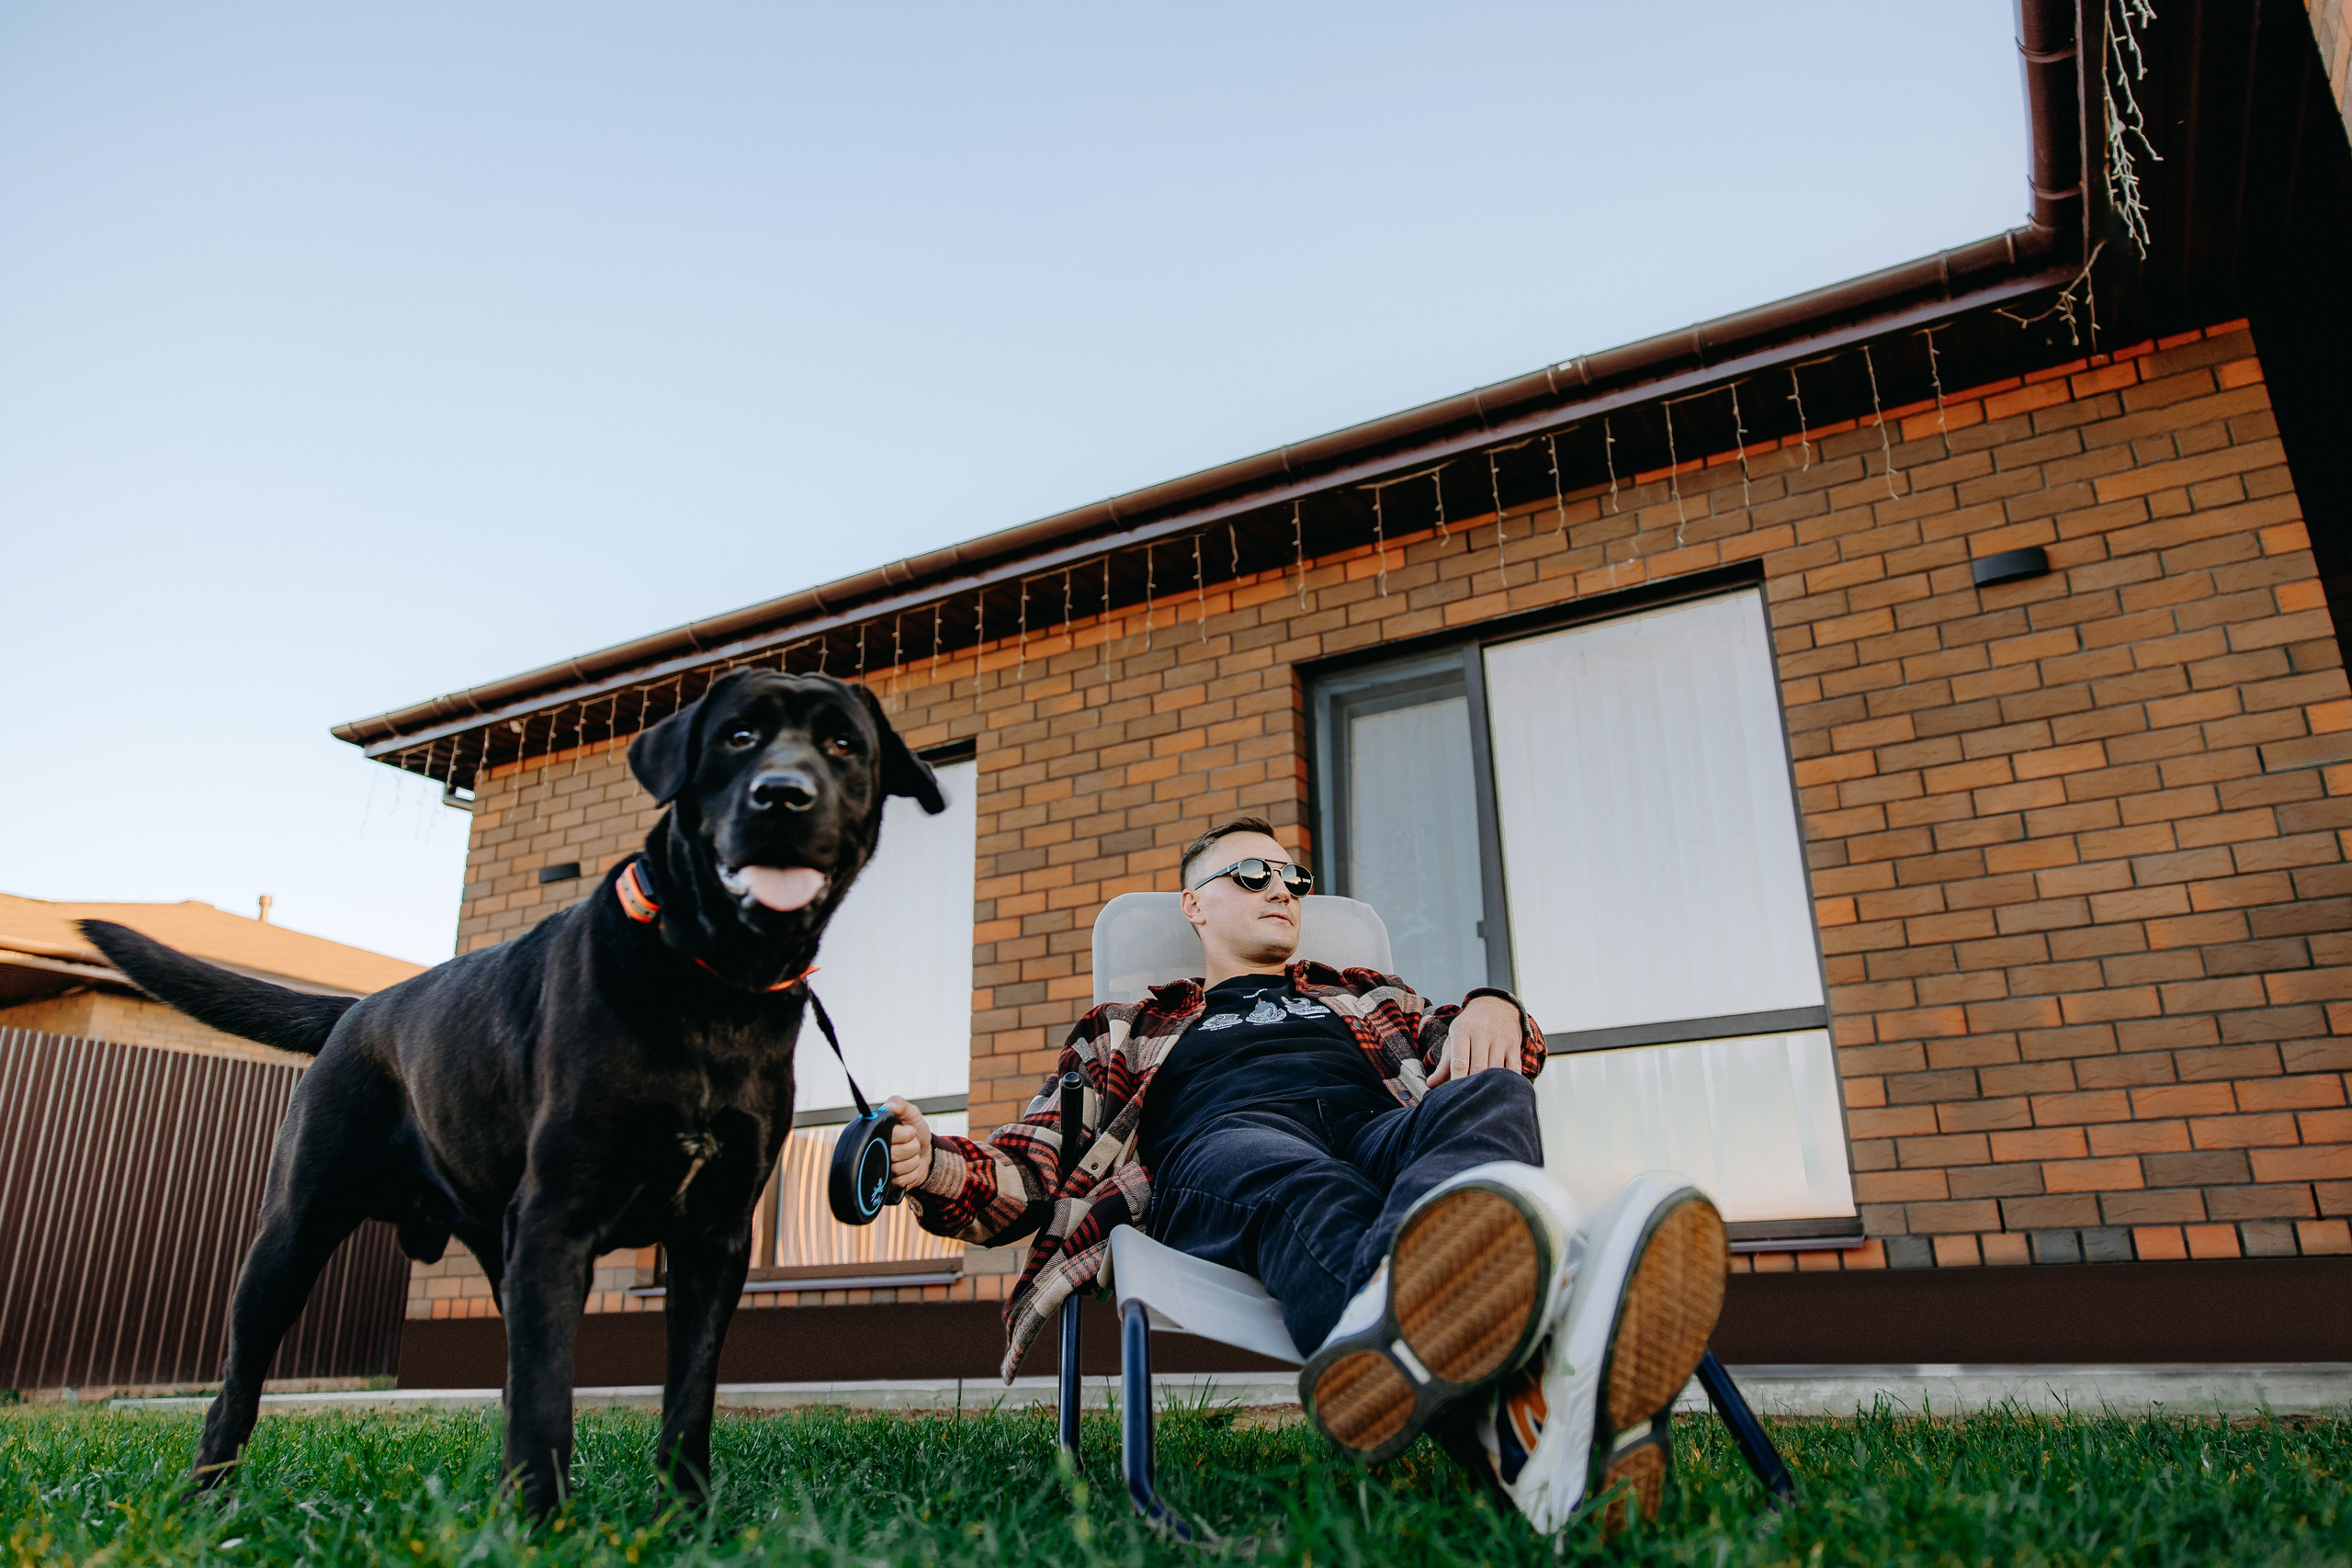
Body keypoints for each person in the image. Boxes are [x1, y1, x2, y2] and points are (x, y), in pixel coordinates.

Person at [882, 816, 1726, 1531]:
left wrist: (1496, 1006)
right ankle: (1555, 1352)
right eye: (1252, 874)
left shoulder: (1366, 992)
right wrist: (928, 1165)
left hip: (1378, 1136)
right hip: (1226, 1147)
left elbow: (1486, 1055)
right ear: (1195, 905)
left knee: (1492, 1095)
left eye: (1293, 875)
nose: (1282, 888)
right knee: (1298, 1180)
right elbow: (1027, 1168)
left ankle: (1497, 1405)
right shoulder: (1126, 1024)